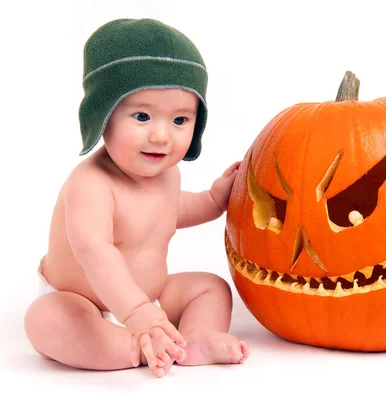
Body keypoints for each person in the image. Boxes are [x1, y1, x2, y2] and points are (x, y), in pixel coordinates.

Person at [24, 18, 249, 378]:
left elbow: (171, 210)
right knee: (44, 320)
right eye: (142, 116)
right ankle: (133, 348)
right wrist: (136, 315)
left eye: (180, 120)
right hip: (84, 305)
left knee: (211, 287)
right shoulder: (91, 184)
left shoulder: (166, 175)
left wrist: (212, 199)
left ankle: (191, 342)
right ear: (103, 115)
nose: (161, 136)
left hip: (153, 300)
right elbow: (95, 252)